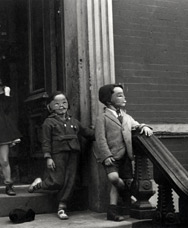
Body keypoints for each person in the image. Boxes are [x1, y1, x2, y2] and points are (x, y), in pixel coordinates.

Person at [27, 91, 94, 220]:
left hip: (73, 153)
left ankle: (62, 206)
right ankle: (39, 185)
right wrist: (48, 157)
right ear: (50, 107)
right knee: (57, 181)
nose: (61, 106)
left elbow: (86, 132)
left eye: (64, 102)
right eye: (56, 104)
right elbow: (45, 141)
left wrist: (101, 134)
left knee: (70, 181)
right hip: (58, 154)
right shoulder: (49, 122)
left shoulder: (74, 121)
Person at [94, 84, 153, 221]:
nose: (124, 98)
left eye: (123, 94)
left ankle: (112, 211)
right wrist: (106, 156)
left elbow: (136, 125)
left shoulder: (126, 117)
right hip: (111, 156)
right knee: (114, 179)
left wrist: (144, 126)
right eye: (119, 95)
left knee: (124, 181)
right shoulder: (102, 118)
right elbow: (100, 139)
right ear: (109, 100)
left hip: (126, 156)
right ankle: (127, 195)